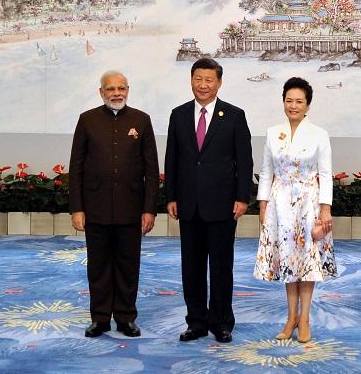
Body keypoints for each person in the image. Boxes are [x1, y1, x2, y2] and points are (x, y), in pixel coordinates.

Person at [165, 58, 253, 344]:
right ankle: (196, 322)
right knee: (190, 267)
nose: (203, 85)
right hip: (188, 205)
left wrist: (242, 198)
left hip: (222, 206)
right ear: (191, 80)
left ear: (219, 83)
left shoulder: (235, 115)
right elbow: (172, 159)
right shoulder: (178, 115)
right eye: (198, 79)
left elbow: (244, 161)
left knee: (220, 267)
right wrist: (171, 196)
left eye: (209, 80)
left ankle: (222, 322)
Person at [69, 70, 159, 338]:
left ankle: (125, 317)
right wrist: (77, 208)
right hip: (95, 209)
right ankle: (99, 318)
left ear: (128, 90)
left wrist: (149, 209)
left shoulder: (141, 120)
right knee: (98, 266)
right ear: (101, 92)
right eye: (111, 89)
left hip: (131, 210)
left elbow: (151, 170)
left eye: (121, 88)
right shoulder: (87, 120)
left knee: (128, 265)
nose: (116, 93)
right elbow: (76, 168)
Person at [253, 77, 337, 343]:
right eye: (289, 100)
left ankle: (305, 320)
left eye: (299, 101)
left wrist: (325, 211)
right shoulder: (272, 132)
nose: (293, 105)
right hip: (280, 205)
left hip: (309, 204)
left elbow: (326, 174)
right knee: (288, 261)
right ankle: (290, 319)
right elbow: (266, 172)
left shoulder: (319, 134)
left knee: (307, 262)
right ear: (283, 103)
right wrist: (263, 205)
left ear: (308, 105)